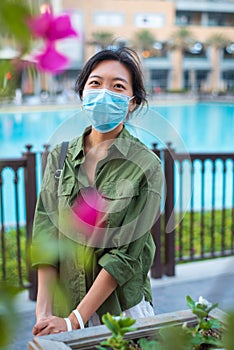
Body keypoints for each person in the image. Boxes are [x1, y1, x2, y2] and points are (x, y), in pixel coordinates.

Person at [31, 47, 163, 336]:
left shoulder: (146, 165)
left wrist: (74, 321)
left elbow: (125, 256)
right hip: (64, 309)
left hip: (121, 313)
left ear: (132, 102)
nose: (104, 93)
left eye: (117, 86)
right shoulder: (59, 156)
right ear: (82, 93)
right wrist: (44, 313)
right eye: (95, 83)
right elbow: (45, 233)